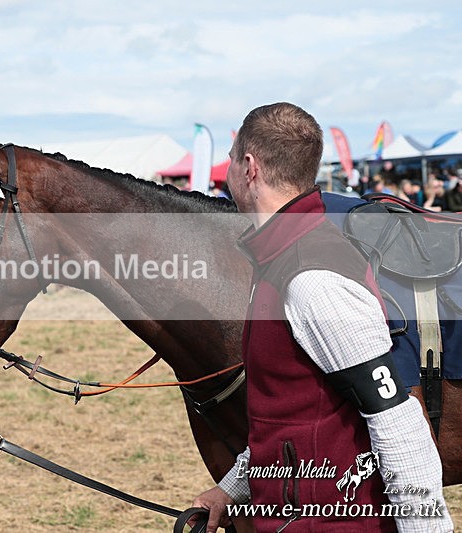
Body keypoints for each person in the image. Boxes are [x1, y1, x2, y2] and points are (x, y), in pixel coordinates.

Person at [191, 103, 451, 532]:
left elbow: (399, 424)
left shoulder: (313, 277)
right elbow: (290, 415)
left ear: (249, 167)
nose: (228, 171)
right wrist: (232, 488)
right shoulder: (279, 257)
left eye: (232, 158)